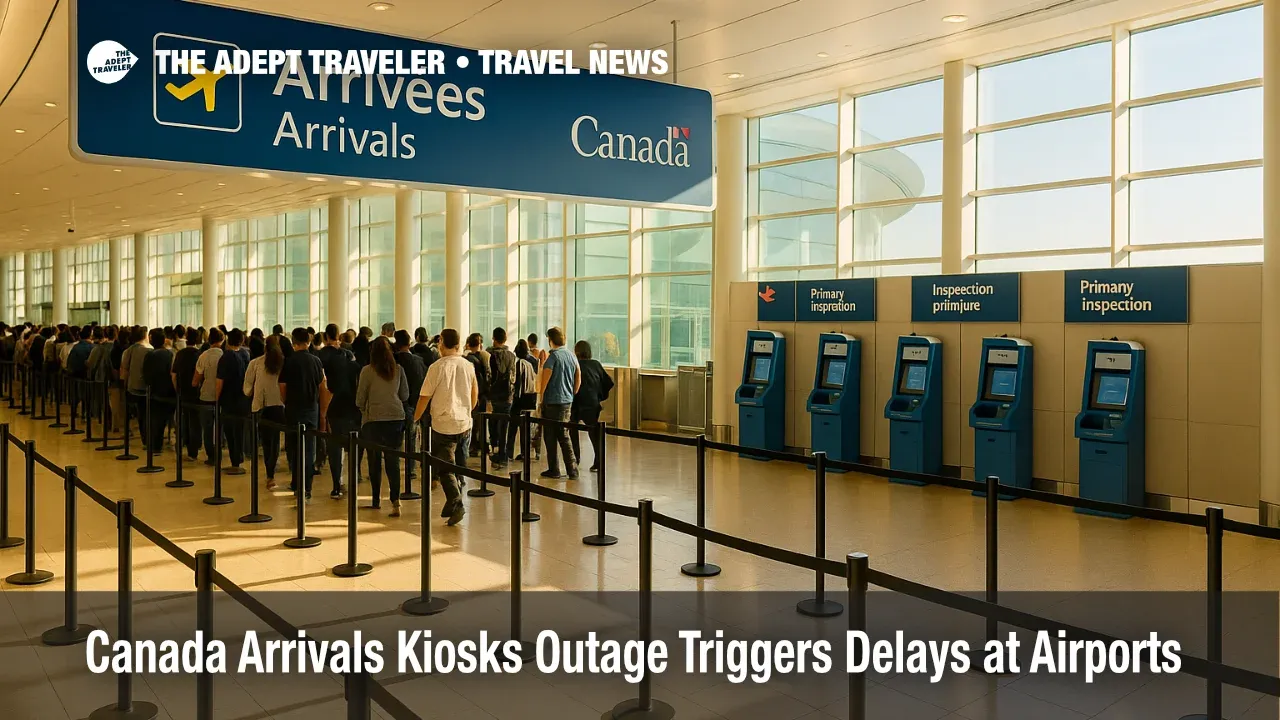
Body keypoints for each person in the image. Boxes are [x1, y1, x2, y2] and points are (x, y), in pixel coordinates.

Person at [414, 329, 476, 527]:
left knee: (444, 467)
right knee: (456, 463)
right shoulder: (468, 365)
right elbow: (474, 393)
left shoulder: (437, 367)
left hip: (444, 423)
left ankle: (456, 503)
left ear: (441, 342)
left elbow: (424, 397)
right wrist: (467, 410)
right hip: (464, 422)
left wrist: (415, 418)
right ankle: (452, 502)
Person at [358, 337, 410, 516]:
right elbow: (405, 395)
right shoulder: (398, 369)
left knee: (374, 461)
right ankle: (395, 501)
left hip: (373, 420)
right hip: (396, 418)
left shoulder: (367, 371)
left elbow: (360, 399)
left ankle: (376, 500)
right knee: (392, 461)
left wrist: (365, 409)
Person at [280, 327, 328, 500]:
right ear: (308, 341)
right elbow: (323, 387)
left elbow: (282, 386)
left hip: (293, 409)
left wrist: (286, 401)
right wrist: (322, 411)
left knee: (293, 448)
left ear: (294, 342)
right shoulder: (316, 361)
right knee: (309, 450)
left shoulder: (288, 361)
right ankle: (306, 486)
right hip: (311, 409)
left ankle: (295, 483)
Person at [319, 324, 361, 495]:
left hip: (334, 406)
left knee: (335, 446)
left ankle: (337, 483)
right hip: (353, 406)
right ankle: (355, 476)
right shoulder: (352, 361)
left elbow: (325, 387)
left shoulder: (322, 357)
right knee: (354, 444)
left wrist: (323, 411)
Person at [538, 327, 581, 480]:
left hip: (552, 402)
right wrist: (572, 393)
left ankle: (554, 468)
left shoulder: (553, 357)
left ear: (550, 340)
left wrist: (541, 399)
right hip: (567, 401)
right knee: (564, 435)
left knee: (550, 436)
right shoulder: (571, 356)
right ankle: (572, 469)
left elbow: (544, 381)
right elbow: (578, 376)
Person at [244, 334, 286, 487]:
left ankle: (270, 473)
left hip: (262, 406)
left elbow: (247, 387)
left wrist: (251, 394)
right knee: (275, 441)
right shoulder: (284, 362)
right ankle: (272, 468)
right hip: (280, 405)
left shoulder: (256, 363)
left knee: (267, 441)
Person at [571, 340, 613, 473]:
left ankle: (575, 459)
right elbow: (608, 382)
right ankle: (598, 461)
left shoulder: (575, 364)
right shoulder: (596, 364)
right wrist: (599, 396)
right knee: (594, 433)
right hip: (592, 403)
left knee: (572, 430)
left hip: (576, 402)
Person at [216, 329, 251, 473]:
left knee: (230, 432)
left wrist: (216, 398)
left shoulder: (226, 357)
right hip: (243, 398)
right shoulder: (245, 354)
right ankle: (239, 457)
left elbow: (220, 380)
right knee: (240, 430)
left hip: (229, 399)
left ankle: (235, 460)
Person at [393, 330, 426, 481]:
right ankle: (413, 467)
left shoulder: (394, 361)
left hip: (399, 403)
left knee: (398, 438)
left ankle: (396, 465)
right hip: (416, 402)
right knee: (413, 437)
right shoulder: (418, 361)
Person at [501, 339, 539, 467]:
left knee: (512, 428)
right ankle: (524, 453)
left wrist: (513, 397)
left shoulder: (518, 364)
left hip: (519, 400)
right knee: (524, 429)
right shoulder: (531, 363)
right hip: (530, 399)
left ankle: (509, 453)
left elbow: (516, 384)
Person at [170, 327, 203, 461]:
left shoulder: (180, 354)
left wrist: (177, 389)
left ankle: (179, 445)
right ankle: (193, 451)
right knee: (194, 422)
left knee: (182, 420)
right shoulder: (200, 354)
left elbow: (173, 375)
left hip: (182, 392)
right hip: (195, 393)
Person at [193, 327, 225, 464]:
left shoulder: (203, 356)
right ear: (222, 340)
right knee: (220, 427)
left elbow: (195, 380)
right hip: (222, 396)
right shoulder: (225, 355)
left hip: (206, 396)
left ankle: (211, 455)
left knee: (207, 428)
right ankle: (220, 451)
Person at [141, 328, 175, 454]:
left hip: (154, 391)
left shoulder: (150, 355)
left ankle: (155, 445)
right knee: (167, 419)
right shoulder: (170, 354)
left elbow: (145, 373)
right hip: (169, 391)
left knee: (155, 420)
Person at [486, 328, 517, 463]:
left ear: (494, 338)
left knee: (493, 423)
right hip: (507, 395)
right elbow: (513, 376)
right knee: (504, 424)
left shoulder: (488, 354)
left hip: (493, 395)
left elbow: (488, 376)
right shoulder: (511, 356)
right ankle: (503, 452)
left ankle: (495, 448)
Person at [120, 326, 152, 441]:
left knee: (138, 413)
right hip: (146, 387)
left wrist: (125, 384)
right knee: (146, 413)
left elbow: (125, 369)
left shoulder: (129, 351)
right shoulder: (150, 350)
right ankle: (147, 436)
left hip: (133, 387)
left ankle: (142, 435)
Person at [463, 333, 490, 456]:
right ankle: (483, 445)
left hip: (473, 394)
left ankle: (473, 446)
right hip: (483, 394)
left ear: (468, 344)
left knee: (473, 421)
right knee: (482, 422)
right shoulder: (486, 356)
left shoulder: (468, 359)